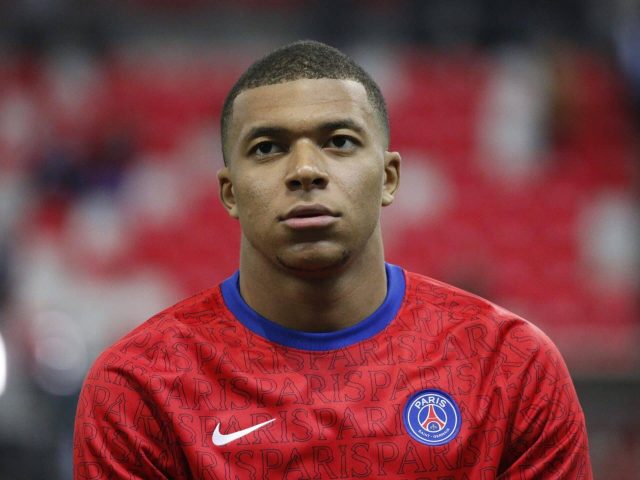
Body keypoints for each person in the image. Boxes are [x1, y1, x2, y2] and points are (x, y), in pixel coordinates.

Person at [73, 40, 593, 479]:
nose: (305, 170)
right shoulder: (140, 388)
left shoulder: (509, 367)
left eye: (339, 141)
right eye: (268, 148)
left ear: (388, 177)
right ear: (229, 192)